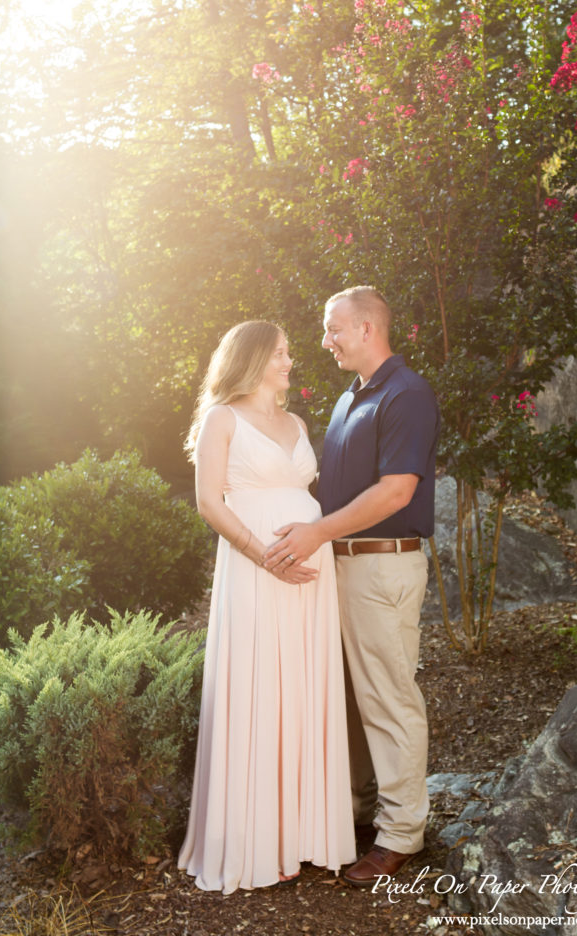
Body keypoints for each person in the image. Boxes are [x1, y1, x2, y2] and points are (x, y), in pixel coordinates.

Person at [263, 286, 440, 887]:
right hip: (339, 565)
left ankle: (400, 835)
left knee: (388, 697)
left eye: (333, 328)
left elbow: (396, 491)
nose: (324, 340)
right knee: (346, 696)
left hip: (383, 564)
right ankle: (362, 812)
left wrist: (316, 533)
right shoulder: (347, 401)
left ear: (367, 329)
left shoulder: (407, 394)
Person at [178, 321, 356, 895]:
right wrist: (264, 556)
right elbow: (209, 502)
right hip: (256, 571)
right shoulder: (221, 419)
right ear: (253, 360)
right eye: (281, 352)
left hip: (310, 573)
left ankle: (301, 836)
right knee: (259, 688)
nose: (289, 360)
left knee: (303, 689)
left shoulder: (298, 422)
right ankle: (255, 841)